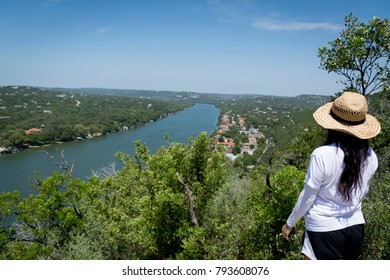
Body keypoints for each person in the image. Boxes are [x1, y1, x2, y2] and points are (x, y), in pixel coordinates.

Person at [282, 91, 381, 260]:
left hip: (323, 228)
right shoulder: (371, 156)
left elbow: (308, 195)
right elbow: (362, 193)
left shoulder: (322, 154)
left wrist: (289, 223)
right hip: (356, 226)